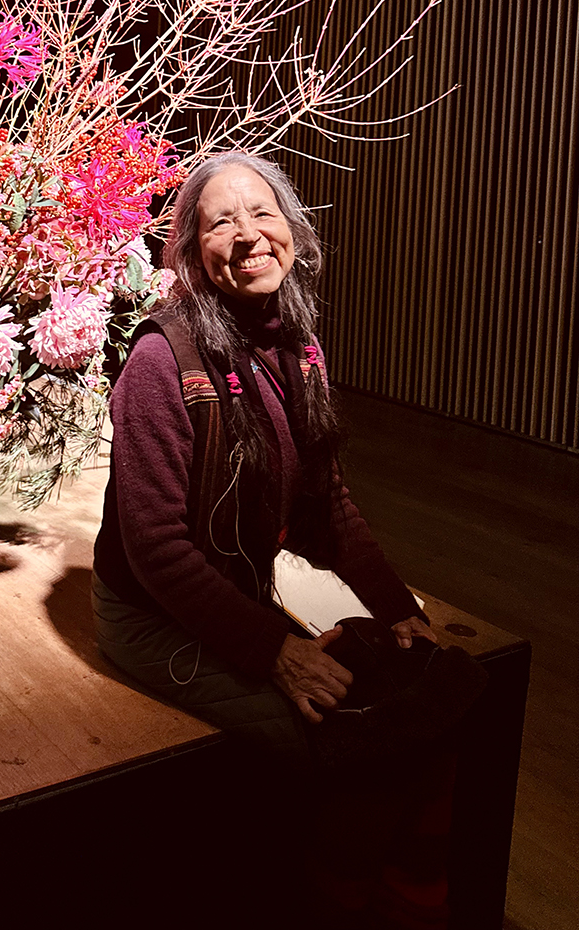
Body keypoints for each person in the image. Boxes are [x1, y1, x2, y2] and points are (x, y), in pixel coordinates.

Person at [92, 152, 483, 925]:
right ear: (190, 254)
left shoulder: (299, 347)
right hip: (152, 615)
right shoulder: (161, 361)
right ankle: (339, 901)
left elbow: (328, 503)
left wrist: (397, 608)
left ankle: (408, 891)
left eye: (262, 213)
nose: (247, 234)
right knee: (365, 732)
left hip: (236, 587)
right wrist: (276, 652)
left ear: (294, 233)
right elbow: (156, 550)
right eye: (221, 222)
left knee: (434, 682)